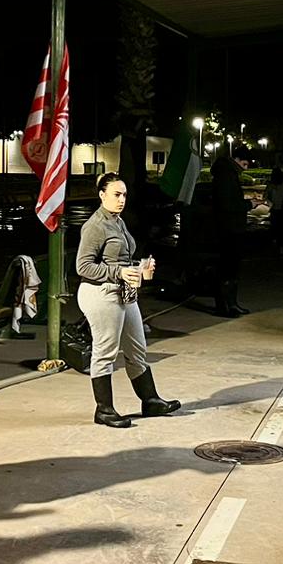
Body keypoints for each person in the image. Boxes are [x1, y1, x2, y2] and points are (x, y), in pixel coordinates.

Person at [77, 173, 182, 429]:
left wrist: (139, 266)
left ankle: (150, 400)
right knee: (105, 352)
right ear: (102, 195)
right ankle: (104, 410)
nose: (122, 199)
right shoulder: (95, 225)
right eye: (116, 194)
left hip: (123, 291)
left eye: (124, 194)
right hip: (100, 293)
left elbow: (121, 259)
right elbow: (83, 266)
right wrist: (118, 272)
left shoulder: (118, 222)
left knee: (137, 348)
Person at [210, 144, 253, 317]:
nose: (246, 168)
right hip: (228, 228)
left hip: (230, 227)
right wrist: (249, 204)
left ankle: (231, 303)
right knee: (227, 267)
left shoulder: (228, 173)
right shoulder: (226, 175)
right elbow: (228, 204)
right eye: (245, 164)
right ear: (237, 160)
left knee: (232, 267)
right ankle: (226, 306)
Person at [265, 166, 283, 255]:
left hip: (275, 209)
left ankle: (275, 245)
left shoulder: (271, 184)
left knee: (274, 229)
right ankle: (281, 248)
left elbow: (266, 197)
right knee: (282, 229)